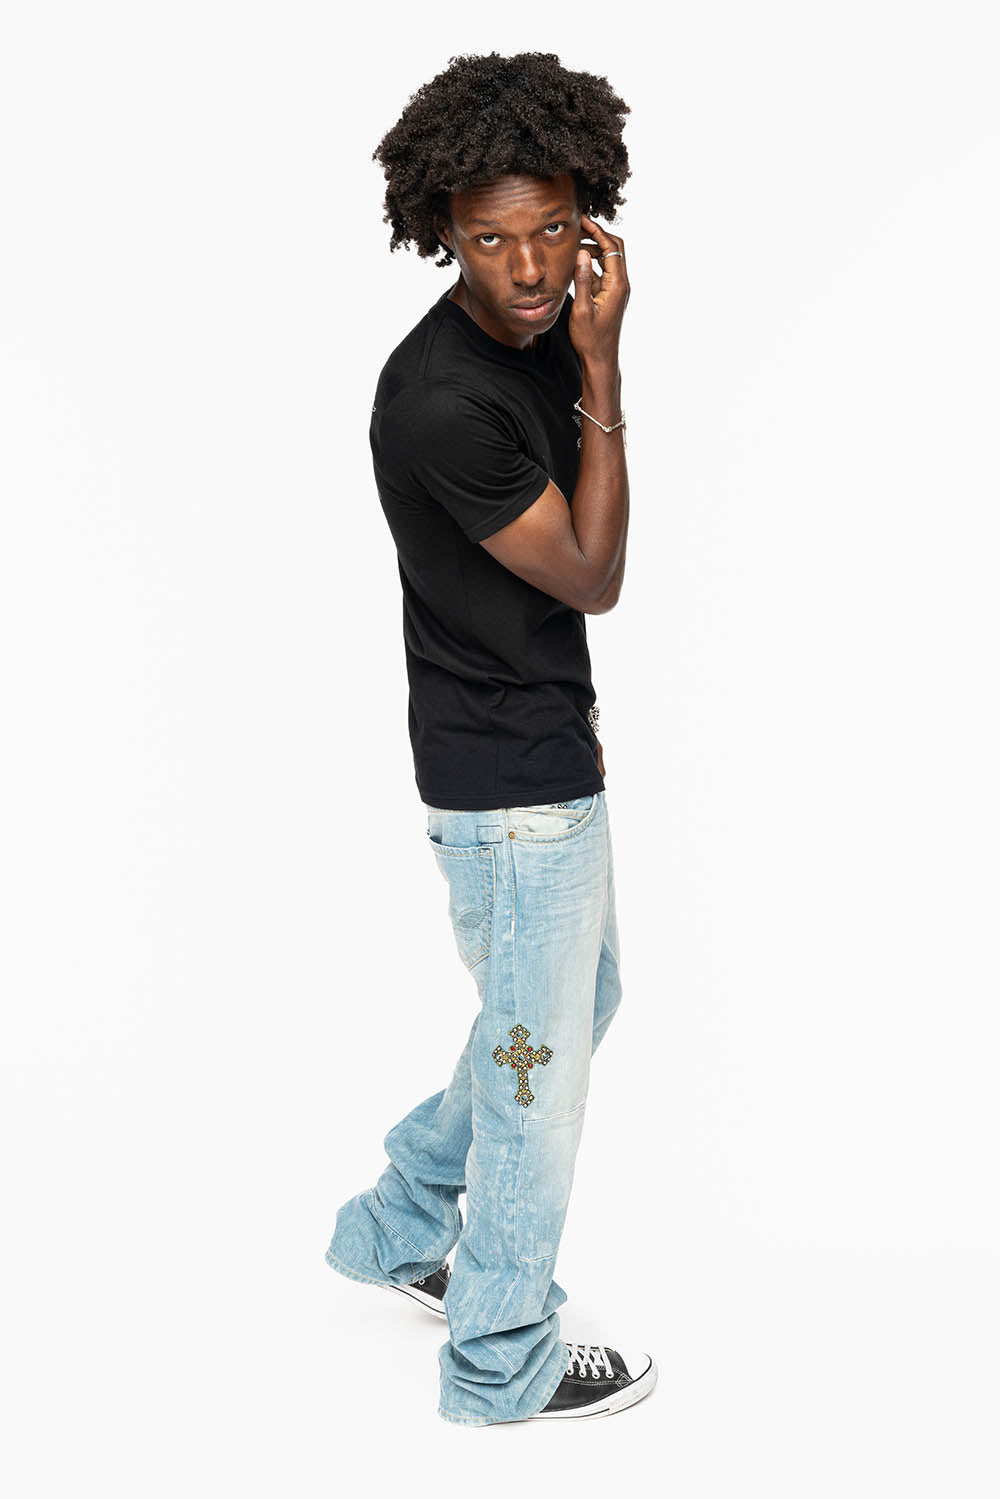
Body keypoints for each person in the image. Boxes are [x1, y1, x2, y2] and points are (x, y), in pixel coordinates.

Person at [324, 50, 656, 1426]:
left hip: (537, 753)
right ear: (441, 232)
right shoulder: (441, 400)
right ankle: (499, 1360)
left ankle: (399, 1221)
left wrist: (574, 354)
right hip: (510, 785)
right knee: (537, 1077)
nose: (526, 269)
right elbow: (592, 573)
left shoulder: (527, 340)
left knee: (571, 1012)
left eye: (551, 231)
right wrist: (604, 365)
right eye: (489, 241)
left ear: (590, 217)